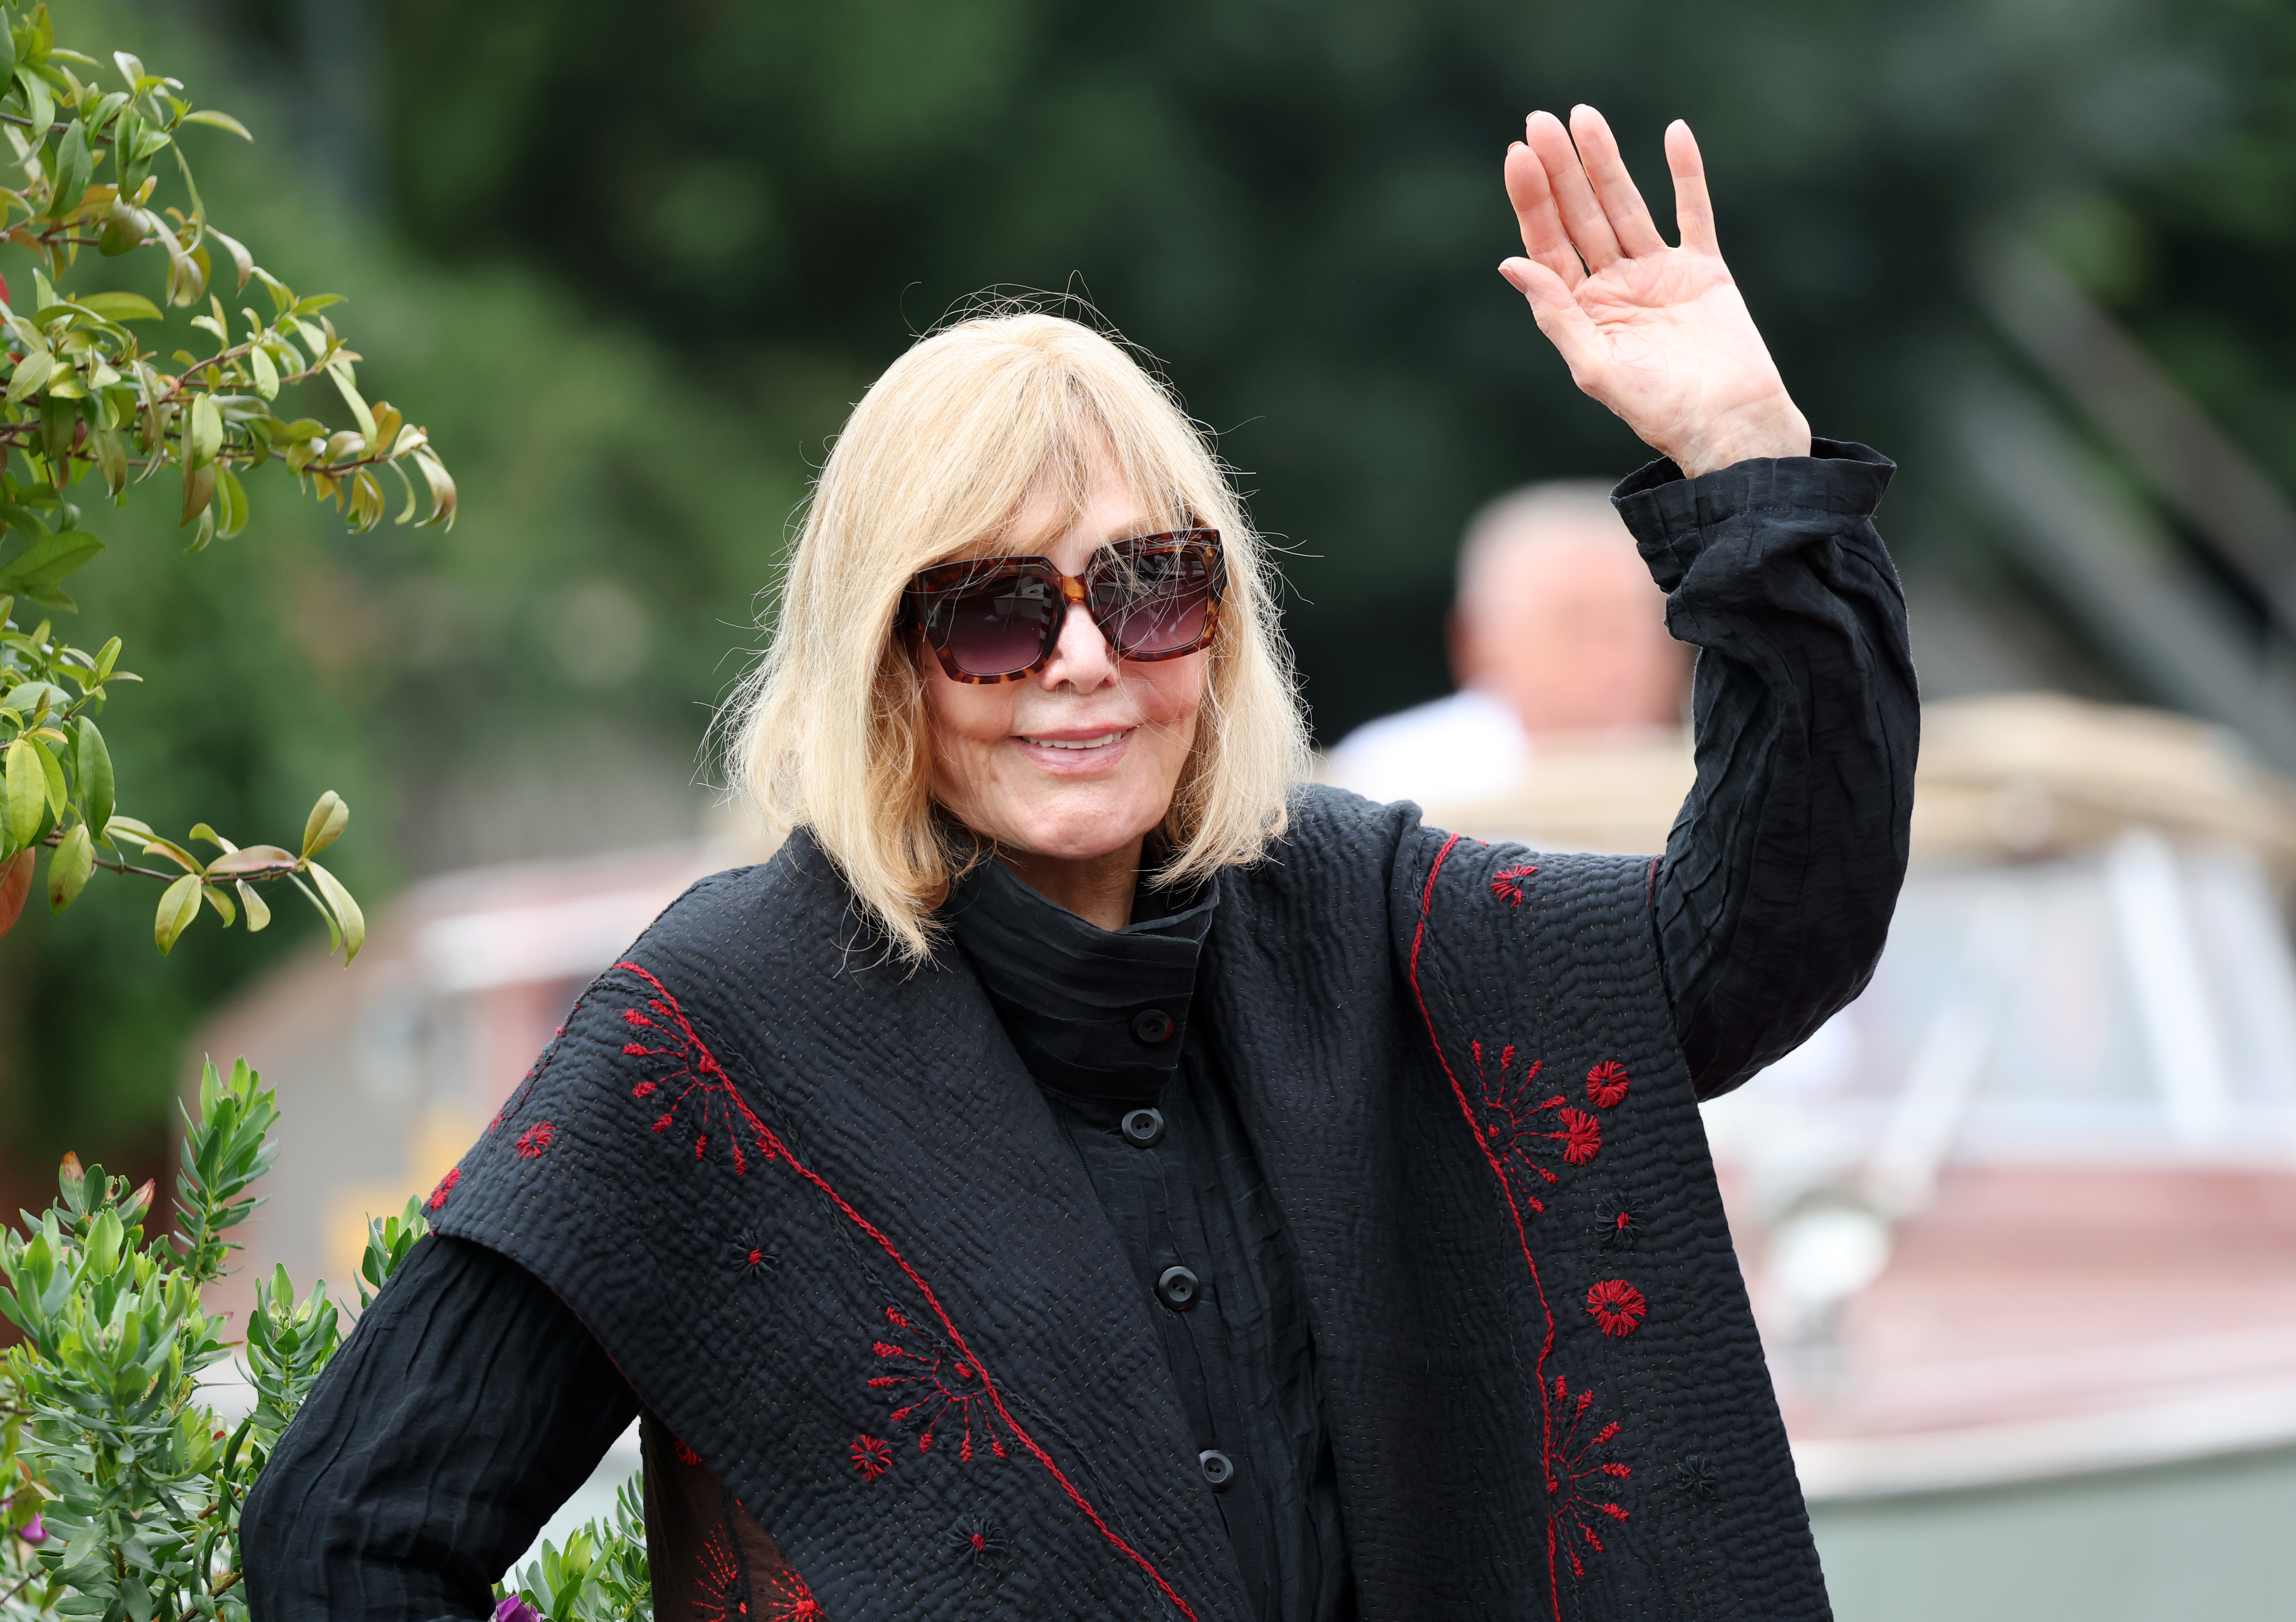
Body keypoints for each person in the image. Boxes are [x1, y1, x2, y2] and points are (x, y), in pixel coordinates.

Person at [243, 107, 1915, 1622]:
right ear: (882, 656)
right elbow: (347, 1540)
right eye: (990, 608)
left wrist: (1747, 460)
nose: (1082, 661)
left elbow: (1761, 935)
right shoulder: (721, 1029)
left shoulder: (1367, 917)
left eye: (1147, 585)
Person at [1325, 481, 1689, 808]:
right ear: (1478, 642)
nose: (1613, 660)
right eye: (1575, 626)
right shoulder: (1391, 780)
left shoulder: (1715, 778)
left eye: (1630, 629)